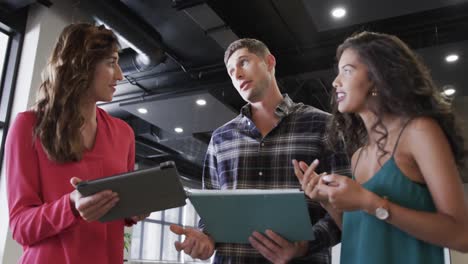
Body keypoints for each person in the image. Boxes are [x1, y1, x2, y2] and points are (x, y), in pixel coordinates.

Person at [169, 38, 350, 264]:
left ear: (269, 62)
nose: (237, 74)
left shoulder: (325, 126)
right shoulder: (221, 139)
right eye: (231, 71)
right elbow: (212, 214)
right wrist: (206, 238)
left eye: (243, 62)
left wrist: (305, 246)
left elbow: (349, 210)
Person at [294, 31, 468, 264]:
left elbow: (461, 236)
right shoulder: (358, 156)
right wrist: (325, 199)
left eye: (347, 70)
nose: (335, 82)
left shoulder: (419, 132)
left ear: (377, 77)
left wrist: (369, 201)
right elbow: (362, 230)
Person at [6, 23, 146, 264]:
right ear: (81, 64)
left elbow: (115, 210)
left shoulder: (124, 134)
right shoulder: (28, 125)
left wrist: (135, 209)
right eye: (111, 63)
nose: (120, 76)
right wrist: (70, 205)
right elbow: (20, 227)